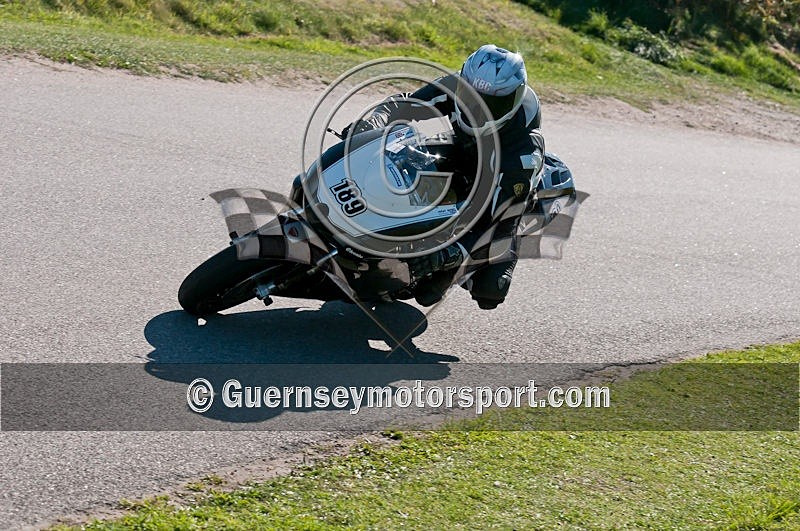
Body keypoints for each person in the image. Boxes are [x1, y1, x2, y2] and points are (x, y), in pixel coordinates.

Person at [320, 44, 546, 309]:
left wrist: (447, 256)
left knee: (489, 290)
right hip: (461, 151)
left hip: (500, 188)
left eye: (491, 104)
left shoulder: (523, 152)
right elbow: (403, 104)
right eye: (472, 97)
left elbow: (498, 224)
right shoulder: (457, 85)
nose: (478, 109)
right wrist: (373, 121)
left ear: (514, 98)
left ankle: (446, 271)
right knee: (397, 158)